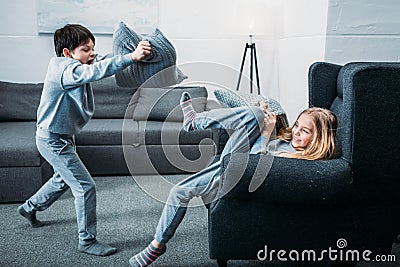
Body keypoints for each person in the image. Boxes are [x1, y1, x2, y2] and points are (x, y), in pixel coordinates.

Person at [128, 92, 338, 266]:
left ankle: (195, 121)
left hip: (240, 176)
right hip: (231, 166)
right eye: (297, 125)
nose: (296, 132)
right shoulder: (289, 139)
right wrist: (265, 111)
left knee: (254, 116)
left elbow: (256, 166)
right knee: (255, 113)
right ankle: (157, 245)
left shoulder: (300, 161)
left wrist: (265, 134)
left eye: (305, 131)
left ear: (319, 138)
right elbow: (269, 123)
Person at [17, 24, 151, 256]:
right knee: (85, 186)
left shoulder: (75, 62)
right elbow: (94, 72)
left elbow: (102, 60)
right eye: (86, 50)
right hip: (52, 140)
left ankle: (29, 207)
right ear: (68, 53)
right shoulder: (66, 71)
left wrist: (132, 57)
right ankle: (86, 241)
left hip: (62, 136)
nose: (91, 54)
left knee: (62, 180)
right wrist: (131, 57)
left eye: (92, 49)